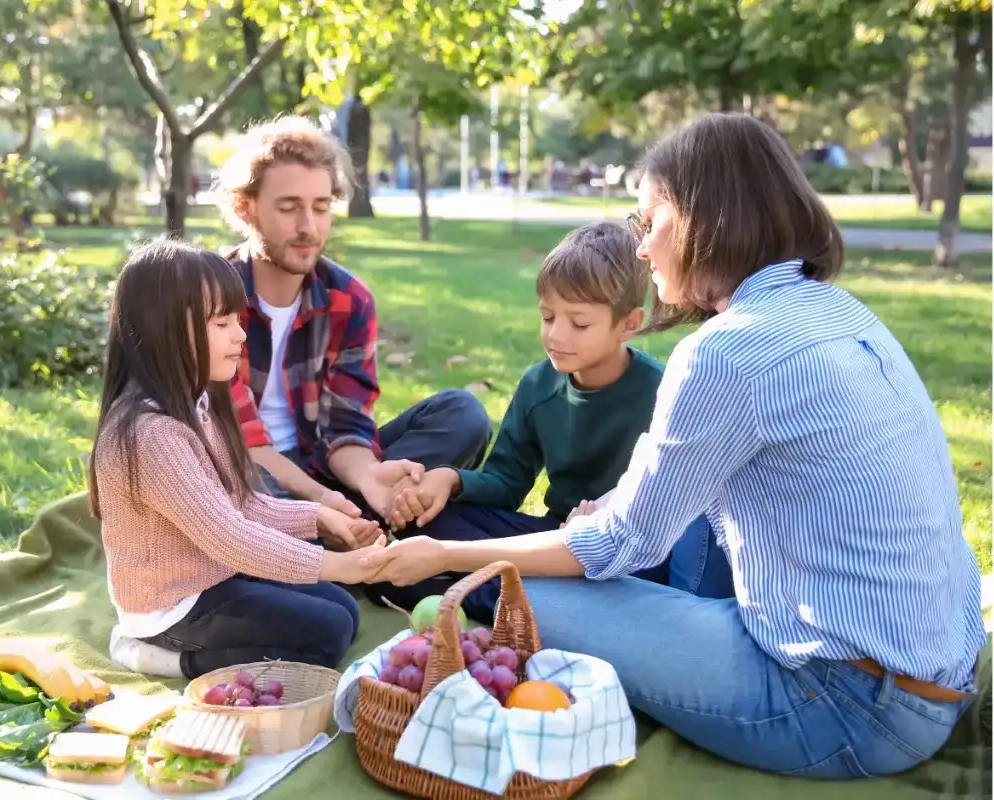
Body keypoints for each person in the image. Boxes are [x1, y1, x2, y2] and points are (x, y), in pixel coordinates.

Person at [358, 113, 986, 780]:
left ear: (703, 222)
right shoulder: (839, 310)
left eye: (651, 220)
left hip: (849, 707)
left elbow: (621, 545)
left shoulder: (725, 350)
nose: (642, 248)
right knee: (607, 558)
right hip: (934, 672)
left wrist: (441, 553)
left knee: (527, 595)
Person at [365, 222, 733, 622]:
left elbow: (674, 502)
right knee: (430, 526)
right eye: (547, 317)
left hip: (632, 551)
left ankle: (510, 602)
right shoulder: (538, 385)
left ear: (628, 323)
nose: (557, 335)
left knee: (640, 578)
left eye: (579, 324)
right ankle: (527, 603)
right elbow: (507, 484)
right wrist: (451, 480)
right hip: (553, 539)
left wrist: (607, 517)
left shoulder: (662, 390)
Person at [87, 240, 389, 680]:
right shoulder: (148, 433)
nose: (240, 336)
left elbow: (243, 505)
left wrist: (319, 518)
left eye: (238, 320)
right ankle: (160, 656)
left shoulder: (196, 405)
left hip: (212, 576)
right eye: (222, 323)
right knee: (326, 633)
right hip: (173, 607)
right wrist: (338, 564)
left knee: (341, 607)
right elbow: (231, 536)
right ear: (166, 328)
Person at [211, 116, 492, 523]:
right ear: (246, 208)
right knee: (236, 486)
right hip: (243, 469)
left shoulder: (349, 299)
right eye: (289, 208)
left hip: (322, 472)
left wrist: (370, 478)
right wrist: (322, 500)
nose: (308, 227)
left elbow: (345, 425)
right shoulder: (210, 297)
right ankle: (327, 529)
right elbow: (230, 439)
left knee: (463, 414)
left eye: (321, 208)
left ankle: (342, 523)